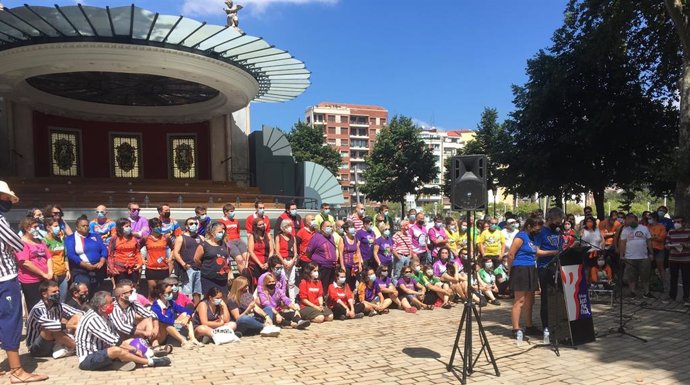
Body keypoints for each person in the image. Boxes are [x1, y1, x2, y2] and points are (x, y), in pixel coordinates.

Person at [0, 182, 48, 382]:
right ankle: (17, 370)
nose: (8, 202)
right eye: (6, 198)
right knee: (11, 321)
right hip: (5, 277)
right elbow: (17, 243)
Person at [76, 291, 171, 371]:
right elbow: (115, 341)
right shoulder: (93, 319)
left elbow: (114, 335)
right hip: (88, 359)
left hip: (103, 351)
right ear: (102, 306)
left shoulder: (105, 315)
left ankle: (150, 353)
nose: (113, 304)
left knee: (132, 342)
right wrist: (133, 349)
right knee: (117, 349)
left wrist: (130, 346)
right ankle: (150, 362)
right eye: (110, 303)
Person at [25, 280, 82, 359]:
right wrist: (73, 326)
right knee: (51, 328)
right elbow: (49, 325)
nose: (57, 294)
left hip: (54, 339)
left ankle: (71, 344)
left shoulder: (58, 305)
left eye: (58, 291)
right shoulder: (38, 309)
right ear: (44, 294)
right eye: (54, 292)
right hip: (36, 346)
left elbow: (79, 313)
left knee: (77, 316)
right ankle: (79, 347)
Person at [506, 217, 542, 339]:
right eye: (537, 227)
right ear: (529, 226)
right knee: (519, 301)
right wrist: (511, 270)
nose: (538, 230)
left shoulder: (533, 238)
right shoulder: (521, 236)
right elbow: (511, 254)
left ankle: (529, 326)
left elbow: (537, 252)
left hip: (531, 268)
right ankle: (515, 328)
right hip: (520, 269)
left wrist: (553, 252)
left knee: (530, 301)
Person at [534, 208, 566, 332]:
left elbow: (561, 246)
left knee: (558, 296)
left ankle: (558, 322)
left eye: (560, 223)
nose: (559, 225)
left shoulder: (558, 232)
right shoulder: (541, 232)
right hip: (544, 268)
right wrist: (553, 252)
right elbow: (537, 251)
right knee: (546, 298)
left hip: (557, 268)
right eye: (557, 222)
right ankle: (546, 326)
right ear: (550, 219)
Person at [109, 280, 161, 347]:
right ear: (122, 295)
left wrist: (156, 328)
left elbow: (151, 314)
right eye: (130, 292)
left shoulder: (133, 304)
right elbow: (121, 327)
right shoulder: (113, 308)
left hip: (130, 335)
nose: (133, 293)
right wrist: (144, 332)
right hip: (118, 340)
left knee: (148, 319)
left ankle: (155, 345)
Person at [150, 281, 200, 349]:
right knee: (165, 323)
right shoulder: (155, 306)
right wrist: (176, 321)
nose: (172, 294)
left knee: (185, 315)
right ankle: (184, 342)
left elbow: (187, 310)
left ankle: (193, 339)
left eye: (171, 291)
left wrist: (187, 317)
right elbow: (162, 318)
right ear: (161, 294)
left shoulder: (170, 303)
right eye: (169, 293)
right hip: (160, 337)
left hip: (171, 333)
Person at [17, 217, 53, 310]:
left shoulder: (39, 241)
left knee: (49, 305)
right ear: (27, 228)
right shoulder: (21, 242)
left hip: (46, 279)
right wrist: (43, 274)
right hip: (31, 281)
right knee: (36, 307)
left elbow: (48, 257)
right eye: (35, 226)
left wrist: (50, 272)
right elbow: (25, 262)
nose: (38, 229)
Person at [619, 213, 654, 299]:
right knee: (631, 276)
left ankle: (647, 292)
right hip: (630, 257)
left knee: (645, 275)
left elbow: (649, 241)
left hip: (643, 257)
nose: (629, 222)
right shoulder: (625, 230)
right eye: (627, 220)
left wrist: (651, 253)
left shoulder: (644, 228)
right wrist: (621, 255)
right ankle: (632, 292)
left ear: (635, 220)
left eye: (630, 220)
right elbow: (622, 243)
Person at [194, 222, 231, 298]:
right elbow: (196, 259)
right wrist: (206, 267)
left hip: (223, 278)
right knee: (209, 299)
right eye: (219, 232)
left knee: (223, 298)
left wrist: (230, 272)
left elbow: (227, 259)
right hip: (209, 278)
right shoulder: (204, 245)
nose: (222, 233)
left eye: (222, 231)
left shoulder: (224, 244)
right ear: (212, 233)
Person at [172, 217, 203, 304]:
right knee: (186, 292)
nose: (194, 225)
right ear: (186, 226)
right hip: (188, 268)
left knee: (197, 292)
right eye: (191, 224)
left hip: (199, 268)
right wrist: (184, 264)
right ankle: (186, 309)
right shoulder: (181, 238)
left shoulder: (201, 238)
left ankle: (196, 309)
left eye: (196, 224)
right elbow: (176, 253)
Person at [142, 218, 173, 298]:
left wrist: (170, 258)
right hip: (151, 268)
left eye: (160, 225)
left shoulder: (165, 238)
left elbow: (174, 249)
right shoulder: (146, 238)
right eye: (156, 226)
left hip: (163, 268)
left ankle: (162, 308)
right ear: (151, 227)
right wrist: (142, 259)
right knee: (152, 291)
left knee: (162, 291)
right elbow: (137, 249)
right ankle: (150, 307)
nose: (159, 227)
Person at [107, 218, 143, 286]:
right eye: (126, 226)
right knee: (121, 288)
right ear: (120, 227)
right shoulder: (114, 238)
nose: (129, 228)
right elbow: (110, 255)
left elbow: (137, 252)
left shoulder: (134, 239)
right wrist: (112, 268)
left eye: (129, 226)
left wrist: (140, 263)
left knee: (133, 288)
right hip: (119, 269)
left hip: (133, 268)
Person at [43, 217, 70, 302]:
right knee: (53, 299)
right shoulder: (44, 241)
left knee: (62, 299)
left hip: (63, 274)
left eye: (58, 226)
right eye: (55, 226)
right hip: (53, 275)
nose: (58, 228)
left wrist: (68, 270)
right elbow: (46, 259)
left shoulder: (60, 240)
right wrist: (51, 272)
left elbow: (65, 256)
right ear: (48, 227)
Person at [665, 216, 690, 305]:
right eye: (675, 222)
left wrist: (686, 245)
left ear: (683, 223)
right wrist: (668, 246)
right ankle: (672, 296)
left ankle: (686, 297)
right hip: (673, 258)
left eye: (678, 222)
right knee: (673, 278)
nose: (676, 224)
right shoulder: (671, 232)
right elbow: (667, 242)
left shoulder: (688, 231)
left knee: (686, 278)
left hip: (685, 259)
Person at [306, 220, 339, 290]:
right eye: (327, 226)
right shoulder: (316, 237)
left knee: (330, 286)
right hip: (322, 267)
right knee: (322, 286)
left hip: (332, 266)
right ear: (322, 228)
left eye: (331, 226)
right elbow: (309, 251)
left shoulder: (331, 237)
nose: (330, 228)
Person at [247, 217, 275, 289]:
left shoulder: (268, 235)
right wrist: (260, 264)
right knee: (257, 285)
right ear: (256, 226)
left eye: (263, 224)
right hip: (256, 263)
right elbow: (251, 251)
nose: (262, 226)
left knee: (267, 283)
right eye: (260, 225)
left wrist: (268, 262)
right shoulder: (252, 236)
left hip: (266, 262)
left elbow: (271, 250)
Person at [219, 203, 248, 271]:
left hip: (238, 241)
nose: (233, 213)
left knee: (247, 258)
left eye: (233, 211)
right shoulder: (221, 221)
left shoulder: (236, 221)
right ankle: (244, 277)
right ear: (226, 212)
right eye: (231, 211)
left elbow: (238, 232)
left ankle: (248, 275)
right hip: (229, 242)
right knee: (239, 259)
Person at [274, 219, 298, 300]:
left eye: (290, 226)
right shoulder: (278, 237)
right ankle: (283, 300)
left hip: (291, 260)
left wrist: (293, 261)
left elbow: (295, 252)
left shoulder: (293, 237)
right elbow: (277, 251)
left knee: (291, 282)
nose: (290, 228)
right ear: (283, 228)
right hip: (282, 261)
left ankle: (292, 301)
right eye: (287, 226)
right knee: (283, 281)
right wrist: (283, 262)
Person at [647, 212, 668, 292]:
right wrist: (654, 237)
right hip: (649, 249)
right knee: (648, 268)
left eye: (650, 218)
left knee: (660, 268)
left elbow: (661, 239)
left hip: (659, 249)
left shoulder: (661, 227)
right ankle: (649, 285)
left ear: (655, 218)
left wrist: (653, 236)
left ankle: (665, 285)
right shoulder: (647, 227)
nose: (649, 220)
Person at [339, 221, 362, 291]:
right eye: (351, 227)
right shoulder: (343, 239)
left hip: (355, 265)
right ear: (346, 230)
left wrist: (360, 264)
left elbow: (358, 252)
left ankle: (352, 298)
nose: (353, 229)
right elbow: (340, 253)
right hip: (346, 265)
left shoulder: (356, 239)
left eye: (353, 227)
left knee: (353, 283)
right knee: (346, 283)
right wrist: (342, 265)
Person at [296, 214, 316, 286]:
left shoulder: (316, 231)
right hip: (305, 259)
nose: (314, 221)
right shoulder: (301, 232)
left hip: (315, 258)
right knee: (305, 278)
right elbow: (296, 244)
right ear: (307, 222)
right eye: (312, 220)